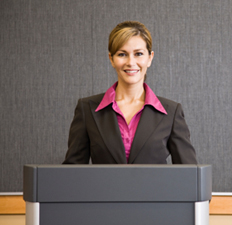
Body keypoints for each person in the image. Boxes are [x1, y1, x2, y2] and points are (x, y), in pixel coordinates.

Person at [63, 21, 197, 164]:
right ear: (111, 59)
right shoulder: (87, 109)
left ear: (150, 58)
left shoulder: (171, 113)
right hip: (103, 187)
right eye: (122, 54)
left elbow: (189, 175)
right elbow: (72, 173)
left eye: (138, 54)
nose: (131, 62)